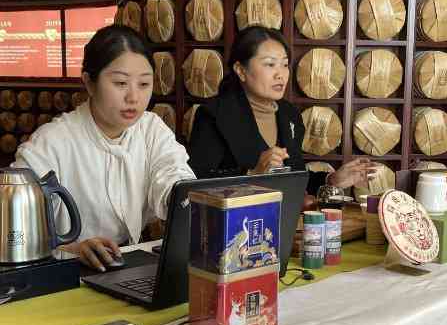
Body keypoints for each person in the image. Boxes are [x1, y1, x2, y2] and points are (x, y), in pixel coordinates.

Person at [12, 25, 195, 271]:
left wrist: (183, 198)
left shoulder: (150, 128)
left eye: (144, 84)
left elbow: (172, 173)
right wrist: (70, 249)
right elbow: (16, 228)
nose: (133, 97)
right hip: (62, 273)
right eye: (120, 83)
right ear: (89, 83)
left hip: (126, 265)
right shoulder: (52, 143)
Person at [188, 26, 375, 194]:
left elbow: (294, 176)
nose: (280, 74)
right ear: (240, 70)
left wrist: (331, 180)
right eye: (270, 64)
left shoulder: (289, 115)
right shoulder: (214, 115)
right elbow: (195, 184)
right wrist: (252, 175)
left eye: (285, 64)